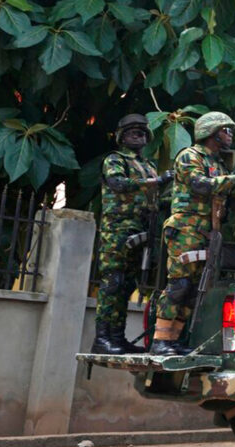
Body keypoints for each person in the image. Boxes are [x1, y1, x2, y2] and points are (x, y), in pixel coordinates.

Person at [151, 112, 235, 356]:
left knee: (195, 288)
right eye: (225, 130)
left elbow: (230, 193)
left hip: (208, 231)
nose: (229, 135)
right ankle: (159, 340)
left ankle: (173, 340)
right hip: (186, 227)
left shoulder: (218, 164)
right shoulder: (189, 156)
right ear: (211, 131)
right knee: (179, 284)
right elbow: (200, 185)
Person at [92, 114, 172, 355]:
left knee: (127, 286)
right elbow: (117, 183)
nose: (137, 135)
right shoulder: (114, 160)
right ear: (120, 137)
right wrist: (155, 181)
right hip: (117, 230)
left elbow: (154, 196)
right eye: (131, 132)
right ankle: (102, 338)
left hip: (142, 229)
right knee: (112, 284)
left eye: (141, 132)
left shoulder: (148, 165)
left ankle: (117, 337)